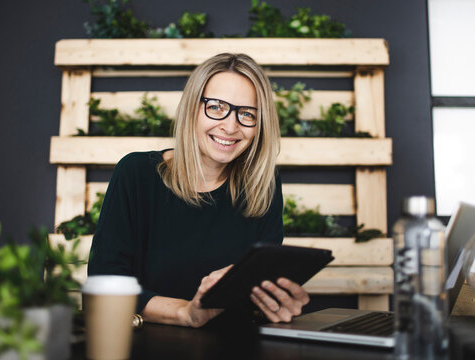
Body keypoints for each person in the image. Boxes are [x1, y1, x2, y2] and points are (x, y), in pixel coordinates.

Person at [88, 53, 309, 328]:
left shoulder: (263, 184)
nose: (230, 126)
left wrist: (274, 304)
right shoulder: (135, 174)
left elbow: (254, 293)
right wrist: (187, 312)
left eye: (247, 114)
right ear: (193, 107)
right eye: (216, 107)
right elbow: (105, 287)